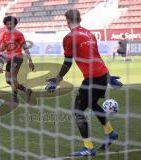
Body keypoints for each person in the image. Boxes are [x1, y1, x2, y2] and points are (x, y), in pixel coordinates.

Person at [47, 9, 119, 157]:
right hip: (103, 74)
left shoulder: (69, 37)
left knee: (78, 111)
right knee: (92, 104)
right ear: (79, 19)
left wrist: (57, 79)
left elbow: (68, 62)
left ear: (67, 21)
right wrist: (109, 77)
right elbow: (96, 56)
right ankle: (110, 132)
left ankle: (88, 147)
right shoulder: (89, 33)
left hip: (93, 78)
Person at [0, 16, 35, 103]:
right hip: (9, 59)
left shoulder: (19, 34)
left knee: (13, 78)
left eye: (11, 23)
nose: (9, 25)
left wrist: (30, 60)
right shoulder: (4, 34)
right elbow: (3, 48)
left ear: (15, 24)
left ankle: (14, 98)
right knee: (8, 81)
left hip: (17, 57)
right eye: (7, 24)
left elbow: (25, 48)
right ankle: (27, 91)